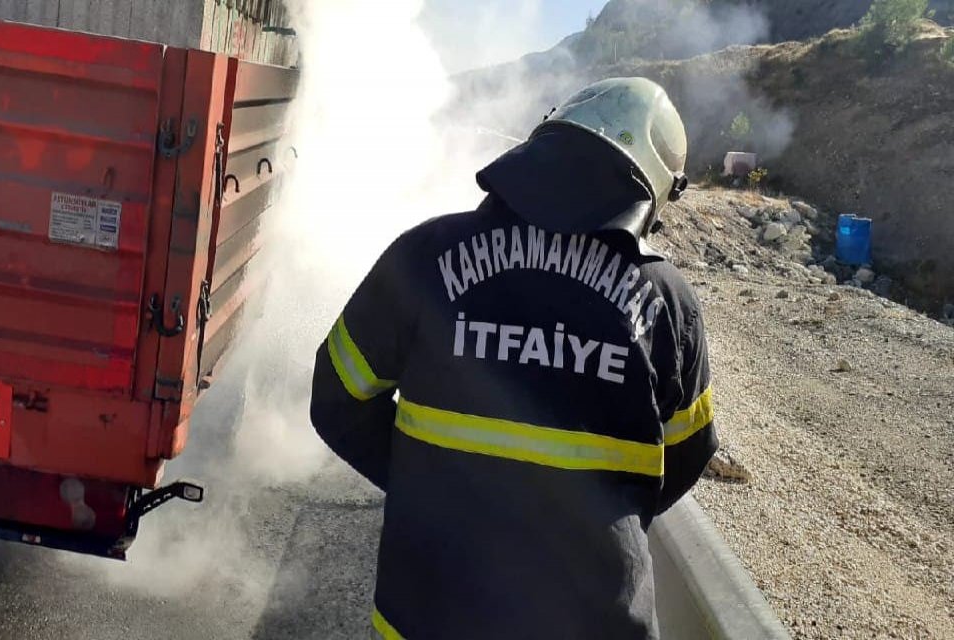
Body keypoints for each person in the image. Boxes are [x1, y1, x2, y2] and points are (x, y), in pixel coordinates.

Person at [308, 77, 718, 639]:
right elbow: (686, 456)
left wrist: (427, 487)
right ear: (650, 190)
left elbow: (337, 397)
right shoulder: (667, 302)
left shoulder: (425, 255)